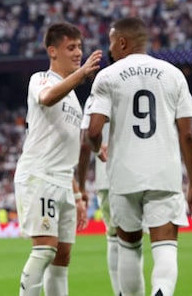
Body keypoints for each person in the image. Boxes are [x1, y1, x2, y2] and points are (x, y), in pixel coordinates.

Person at [86, 17, 192, 296]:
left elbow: (93, 131)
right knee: (165, 248)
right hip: (163, 173)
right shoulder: (174, 74)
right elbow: (187, 135)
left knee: (129, 247)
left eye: (111, 43)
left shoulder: (108, 76)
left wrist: (96, 149)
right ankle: (161, 291)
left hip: (124, 176)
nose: (110, 50)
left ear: (123, 42)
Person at [14, 22, 102, 296]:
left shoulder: (74, 99)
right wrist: (83, 73)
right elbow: (47, 98)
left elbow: (68, 152)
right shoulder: (41, 79)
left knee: (62, 258)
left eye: (79, 47)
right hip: (40, 175)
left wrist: (77, 195)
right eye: (71, 47)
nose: (78, 53)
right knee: (44, 250)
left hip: (64, 181)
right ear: (53, 51)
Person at [77, 105, 117, 295]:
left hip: (108, 176)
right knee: (145, 240)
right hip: (145, 176)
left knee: (114, 237)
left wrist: (82, 188)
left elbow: (86, 143)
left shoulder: (99, 89)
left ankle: (120, 291)